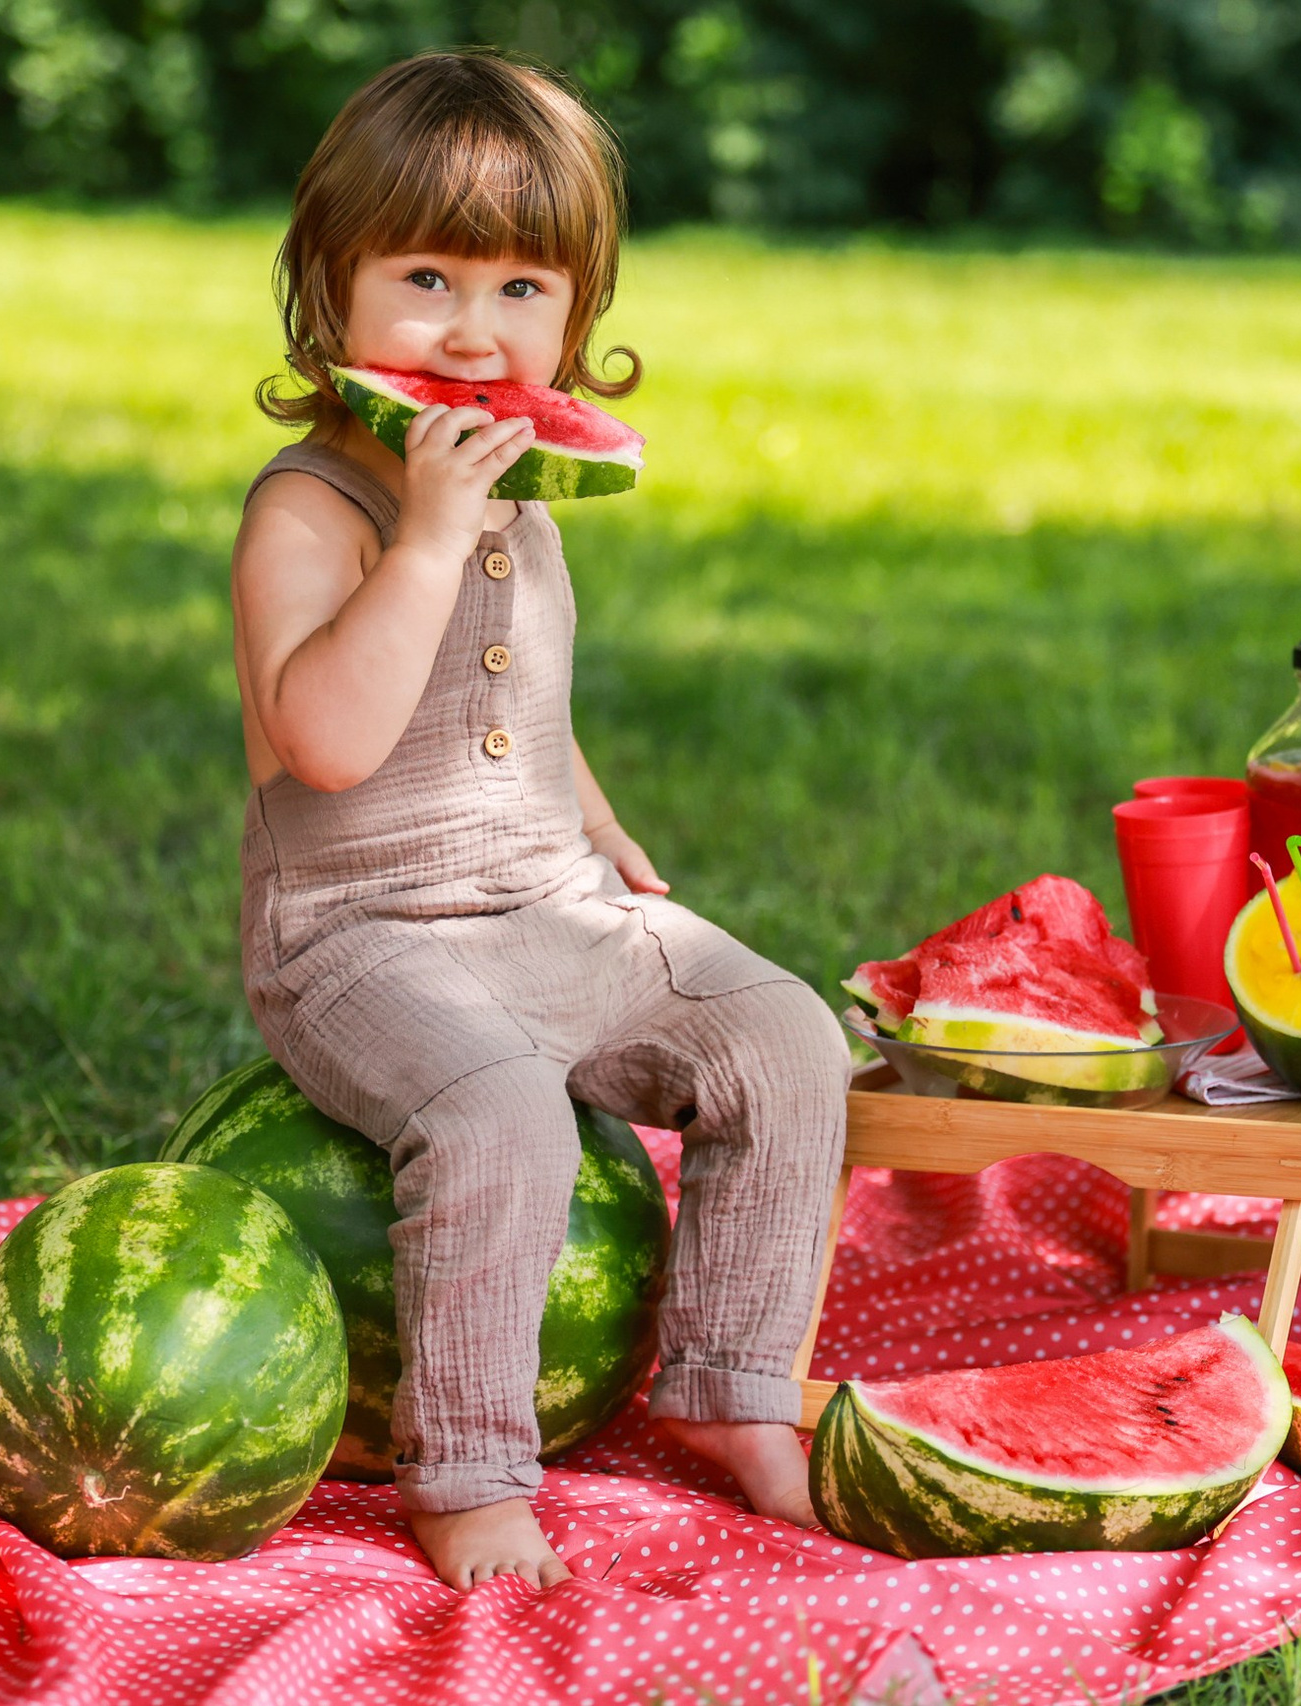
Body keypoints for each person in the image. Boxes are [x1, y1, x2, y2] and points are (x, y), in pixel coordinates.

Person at [228, 49, 850, 1591]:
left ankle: (730, 1386)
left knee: (787, 1036)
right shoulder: (310, 510)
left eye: (521, 290)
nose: (470, 328)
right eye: (425, 275)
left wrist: (606, 828)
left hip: (550, 907)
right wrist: (429, 538)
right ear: (330, 283)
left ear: (580, 320)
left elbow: (525, 706)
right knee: (500, 1113)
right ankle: (466, 1472)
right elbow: (330, 739)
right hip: (362, 942)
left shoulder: (517, 488)